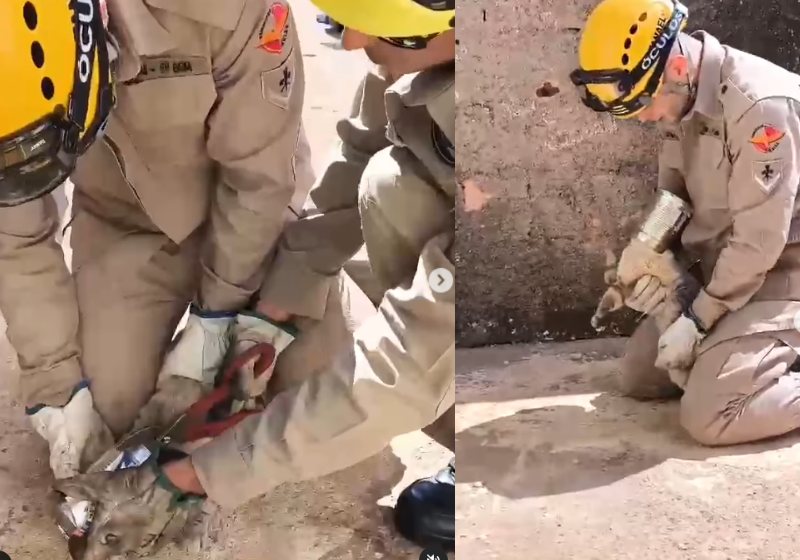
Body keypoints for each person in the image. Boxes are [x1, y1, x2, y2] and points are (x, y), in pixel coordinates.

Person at [54, 0, 456, 555]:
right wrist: (269, 318)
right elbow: (360, 152)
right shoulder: (424, 54)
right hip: (137, 223)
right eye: (342, 22)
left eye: (368, 28)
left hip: (280, 229)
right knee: (114, 405)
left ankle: (476, 438)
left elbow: (402, 370)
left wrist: (193, 476)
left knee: (331, 378)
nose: (352, 44)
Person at [0, 0, 309, 481]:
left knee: (312, 380)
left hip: (249, 213)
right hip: (127, 220)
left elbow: (259, 179)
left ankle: (312, 290)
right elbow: (14, 235)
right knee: (111, 418)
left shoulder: (233, 9)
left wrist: (217, 317)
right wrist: (57, 386)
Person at [571, 0, 800, 445]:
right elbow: (673, 193)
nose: (641, 116)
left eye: (641, 103)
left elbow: (759, 242)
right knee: (640, 377)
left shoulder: (761, 110)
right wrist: (646, 251)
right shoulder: (680, 95)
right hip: (730, 268)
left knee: (711, 415)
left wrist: (696, 320)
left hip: (783, 271)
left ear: (676, 64)